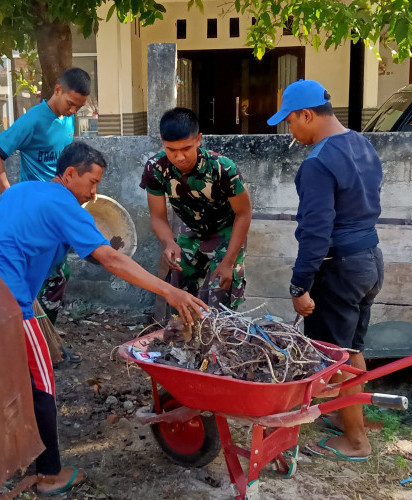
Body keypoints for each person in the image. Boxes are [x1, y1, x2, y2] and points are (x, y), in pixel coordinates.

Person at [0, 142, 207, 495]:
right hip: (8, 300)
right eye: (91, 182)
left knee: (2, 378)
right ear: (69, 175)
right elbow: (111, 260)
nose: (94, 193)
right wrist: (168, 291)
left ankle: (3, 454)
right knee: (41, 384)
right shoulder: (66, 205)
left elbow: (22, 240)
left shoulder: (21, 190)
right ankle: (49, 476)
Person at [267, 79, 385, 461]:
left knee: (332, 355)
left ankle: (355, 442)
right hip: (369, 260)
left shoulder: (317, 162)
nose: (291, 130)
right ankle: (349, 421)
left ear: (306, 114)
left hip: (339, 268)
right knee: (352, 351)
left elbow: (316, 232)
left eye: (290, 121)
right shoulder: (362, 145)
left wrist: (299, 285)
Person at [0, 67, 91, 363]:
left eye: (78, 107)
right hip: (36, 215)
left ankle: (40, 345)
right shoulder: (33, 120)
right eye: (70, 103)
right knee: (51, 278)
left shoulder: (67, 119)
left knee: (51, 277)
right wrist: (9, 195)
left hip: (57, 212)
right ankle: (35, 350)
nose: (72, 110)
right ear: (57, 90)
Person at [140, 107, 252, 310]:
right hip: (191, 230)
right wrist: (168, 242)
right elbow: (158, 217)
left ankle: (217, 338)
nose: (179, 157)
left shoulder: (222, 168)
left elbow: (244, 213)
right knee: (178, 293)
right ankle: (180, 339)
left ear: (199, 139)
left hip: (226, 230)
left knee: (221, 298)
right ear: (162, 142)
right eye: (171, 150)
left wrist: (229, 262)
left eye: (186, 149)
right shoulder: (155, 169)